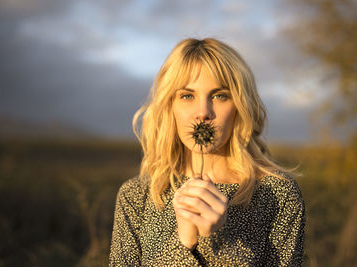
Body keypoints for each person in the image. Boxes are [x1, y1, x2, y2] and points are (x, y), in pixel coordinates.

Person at [109, 38, 305, 266]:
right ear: (170, 106)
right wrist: (184, 241)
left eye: (220, 95)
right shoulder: (137, 196)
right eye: (187, 96)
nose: (203, 112)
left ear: (240, 106)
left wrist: (216, 241)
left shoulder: (278, 195)